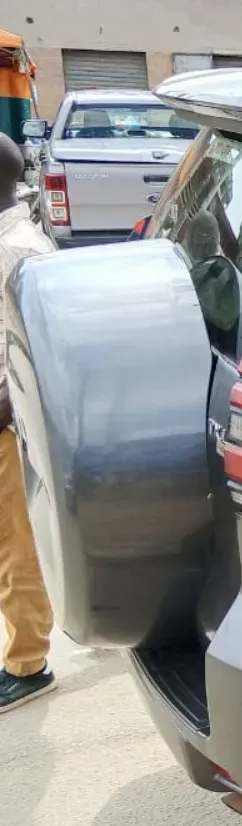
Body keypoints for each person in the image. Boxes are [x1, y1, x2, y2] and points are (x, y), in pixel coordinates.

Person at [0, 134, 56, 714]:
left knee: (17, 545)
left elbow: (39, 349)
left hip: (9, 418)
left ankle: (27, 664)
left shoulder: (18, 250)